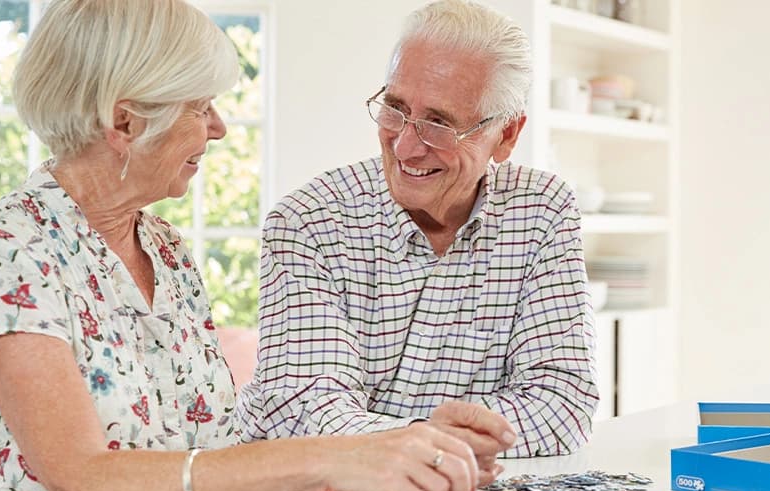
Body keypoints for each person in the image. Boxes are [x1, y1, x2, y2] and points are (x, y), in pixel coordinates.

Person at [0, 1, 496, 491]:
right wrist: (330, 457)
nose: (217, 128)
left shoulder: (165, 249)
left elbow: (210, 449)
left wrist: (399, 440)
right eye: (200, 107)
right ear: (123, 121)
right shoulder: (5, 251)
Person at [237, 0, 599, 460]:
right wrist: (437, 442)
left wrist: (415, 444)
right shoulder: (309, 221)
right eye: (395, 108)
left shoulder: (542, 210)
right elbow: (306, 414)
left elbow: (562, 403)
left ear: (506, 136)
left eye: (438, 123)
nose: (406, 146)